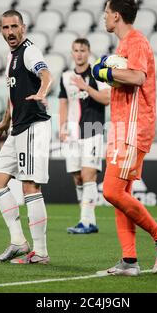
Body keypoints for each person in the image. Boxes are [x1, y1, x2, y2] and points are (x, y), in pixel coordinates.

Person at [92, 0, 157, 276]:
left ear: (117, 15)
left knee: (111, 191)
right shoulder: (123, 45)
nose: (104, 16)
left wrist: (105, 71)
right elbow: (122, 85)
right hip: (120, 125)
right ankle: (129, 261)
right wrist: (105, 78)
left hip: (133, 127)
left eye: (107, 12)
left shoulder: (136, 42)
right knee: (121, 195)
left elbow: (139, 77)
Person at [0, 10, 53, 264]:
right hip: (17, 127)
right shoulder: (11, 56)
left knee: (30, 186)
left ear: (23, 28)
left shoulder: (29, 51)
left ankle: (40, 252)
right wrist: (5, 120)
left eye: (14, 26)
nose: (10, 32)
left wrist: (42, 92)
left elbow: (46, 75)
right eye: (5, 28)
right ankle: (18, 241)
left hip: (33, 126)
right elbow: (11, 92)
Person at [58, 38, 111, 234]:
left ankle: (85, 222)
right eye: (76, 50)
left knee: (89, 175)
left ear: (89, 52)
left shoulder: (97, 74)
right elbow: (63, 103)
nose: (79, 53)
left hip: (92, 128)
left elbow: (107, 99)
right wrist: (61, 127)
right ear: (72, 53)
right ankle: (90, 221)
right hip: (72, 133)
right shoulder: (65, 77)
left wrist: (85, 87)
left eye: (82, 50)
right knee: (78, 178)